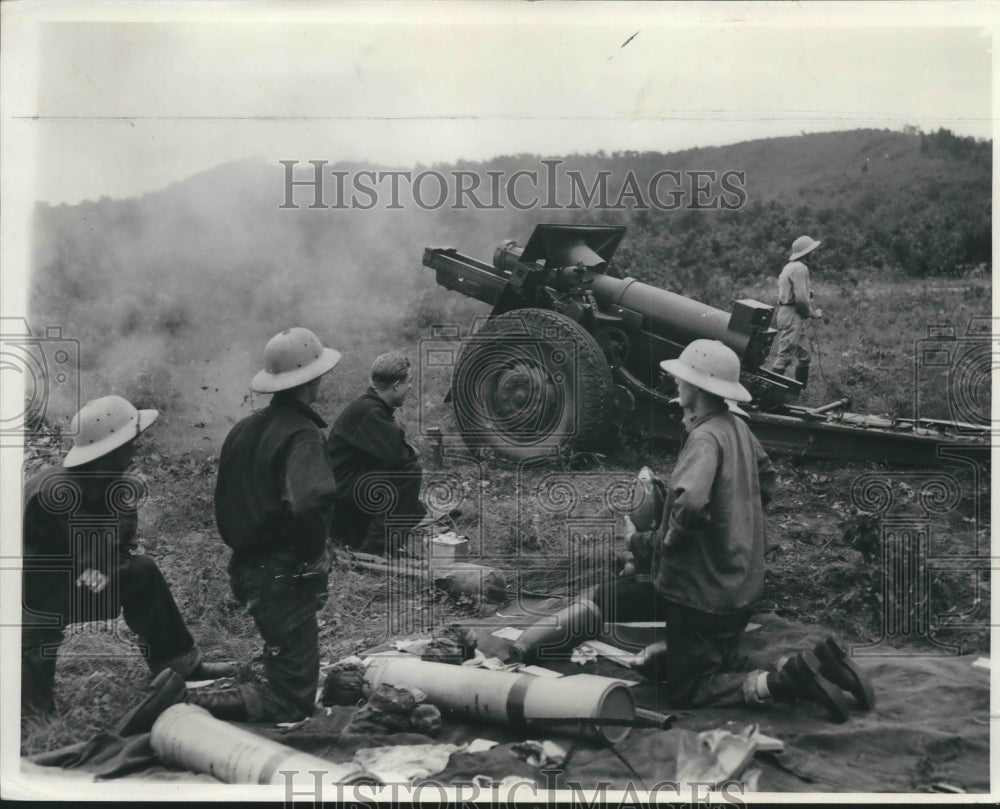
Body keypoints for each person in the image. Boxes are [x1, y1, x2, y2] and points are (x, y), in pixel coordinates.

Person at [623, 340, 874, 721]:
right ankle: (821, 661)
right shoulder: (737, 426)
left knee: (687, 687)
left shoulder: (704, 438)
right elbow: (766, 477)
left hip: (701, 597)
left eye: (681, 379)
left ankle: (780, 682)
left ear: (697, 388)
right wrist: (738, 522)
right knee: (723, 655)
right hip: (741, 587)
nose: (676, 384)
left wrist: (664, 546)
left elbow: (689, 504)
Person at [21, 395, 234, 721]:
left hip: (78, 580)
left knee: (143, 573)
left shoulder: (113, 484)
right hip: (29, 594)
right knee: (33, 640)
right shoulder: (51, 493)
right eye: (130, 440)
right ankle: (32, 714)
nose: (136, 446)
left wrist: (103, 567)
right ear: (110, 448)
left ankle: (179, 664)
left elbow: (116, 547)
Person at [205, 326, 341, 723]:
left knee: (286, 655)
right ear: (312, 378)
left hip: (250, 569)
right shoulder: (303, 434)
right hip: (283, 575)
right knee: (294, 701)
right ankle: (184, 702)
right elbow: (311, 501)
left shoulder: (244, 429)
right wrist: (314, 554)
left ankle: (192, 695)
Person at [328, 351, 426, 556]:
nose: (410, 387)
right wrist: (412, 451)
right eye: (409, 381)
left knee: (414, 508)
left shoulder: (370, 407)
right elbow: (400, 458)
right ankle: (376, 548)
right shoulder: (371, 412)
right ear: (396, 385)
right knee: (410, 473)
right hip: (341, 495)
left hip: (345, 492)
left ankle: (357, 536)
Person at [772, 235, 824, 389]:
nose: (813, 254)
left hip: (788, 312)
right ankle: (768, 392)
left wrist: (808, 292)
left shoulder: (789, 266)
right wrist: (812, 313)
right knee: (785, 356)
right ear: (806, 253)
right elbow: (801, 299)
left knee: (805, 355)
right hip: (792, 314)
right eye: (811, 251)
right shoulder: (801, 268)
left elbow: (790, 290)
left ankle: (799, 392)